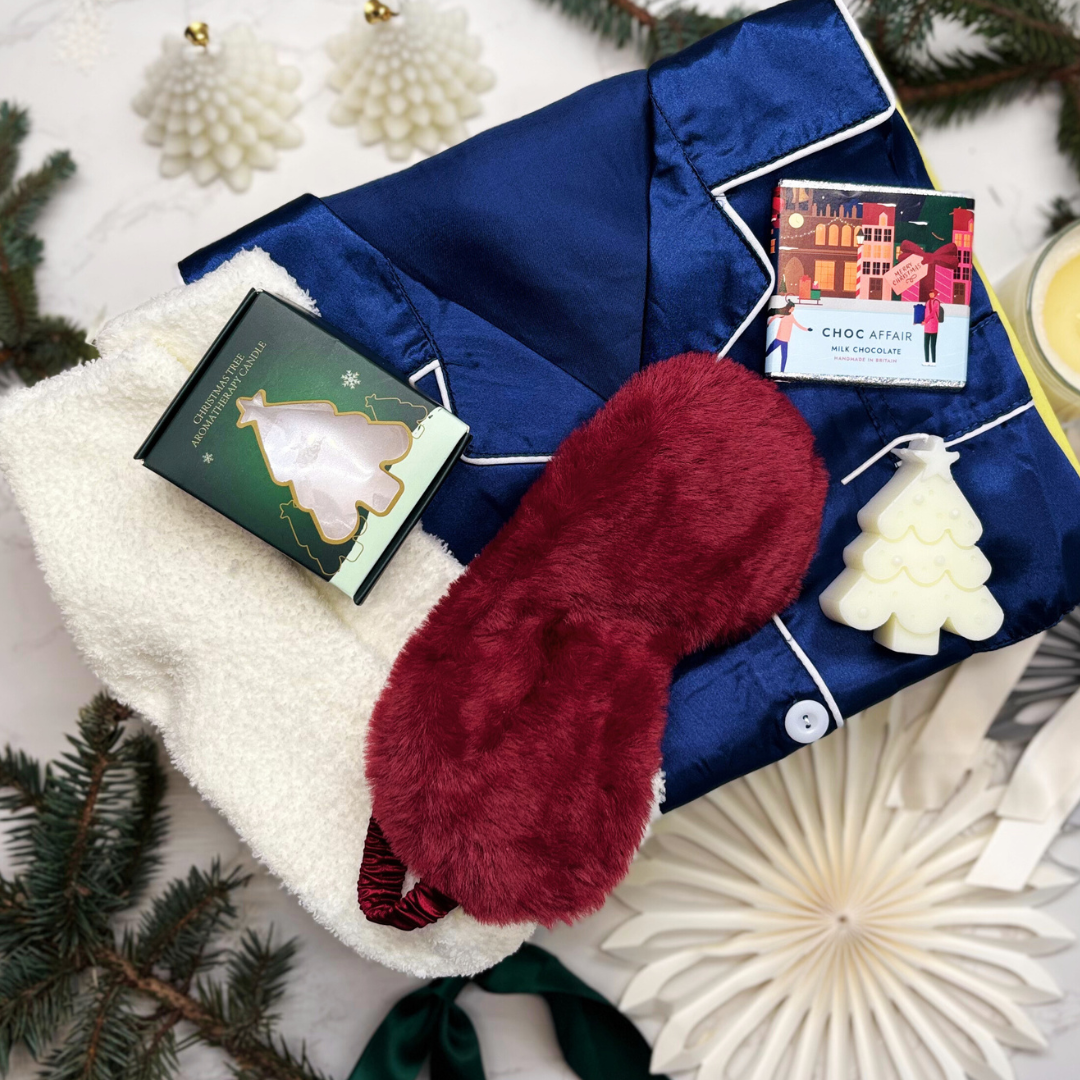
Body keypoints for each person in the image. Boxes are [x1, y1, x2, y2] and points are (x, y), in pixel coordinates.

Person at [765, 300, 811, 372]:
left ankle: (782, 371)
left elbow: (797, 324)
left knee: (784, 356)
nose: (793, 309)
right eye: (793, 308)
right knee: (768, 352)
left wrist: (807, 329)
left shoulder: (791, 316)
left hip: (785, 340)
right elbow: (774, 316)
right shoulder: (783, 314)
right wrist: (768, 323)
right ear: (790, 307)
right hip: (779, 338)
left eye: (794, 308)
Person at [923, 289, 942, 364]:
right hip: (927, 326)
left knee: (933, 345)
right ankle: (927, 361)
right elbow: (925, 313)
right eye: (930, 293)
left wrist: (926, 320)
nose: (930, 294)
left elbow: (933, 313)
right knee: (926, 344)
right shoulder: (927, 302)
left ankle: (933, 361)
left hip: (933, 325)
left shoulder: (936, 302)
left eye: (932, 293)